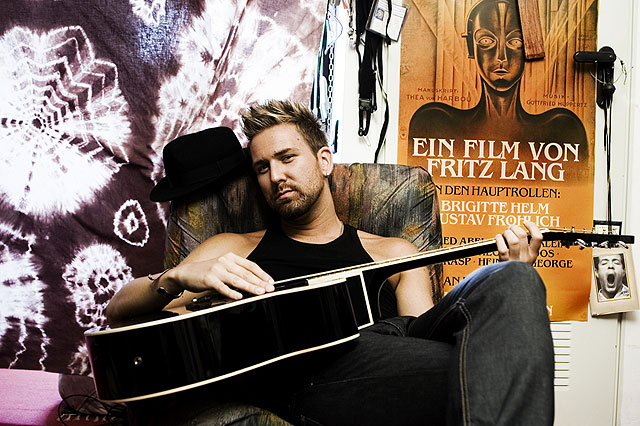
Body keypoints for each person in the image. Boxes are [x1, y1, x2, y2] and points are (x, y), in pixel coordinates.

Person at [107, 100, 554, 425]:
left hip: (392, 353)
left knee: (514, 279)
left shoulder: (394, 252)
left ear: (323, 161)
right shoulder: (233, 248)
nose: (276, 176)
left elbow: (422, 339)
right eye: (261, 168)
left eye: (287, 158)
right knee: (490, 364)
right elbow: (117, 314)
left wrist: (509, 279)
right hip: (311, 376)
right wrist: (175, 276)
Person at [408, 0, 588, 178]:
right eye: (486, 41)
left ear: (529, 47)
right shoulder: (434, 120)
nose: (502, 57)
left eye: (515, 42)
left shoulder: (562, 126)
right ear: (471, 46)